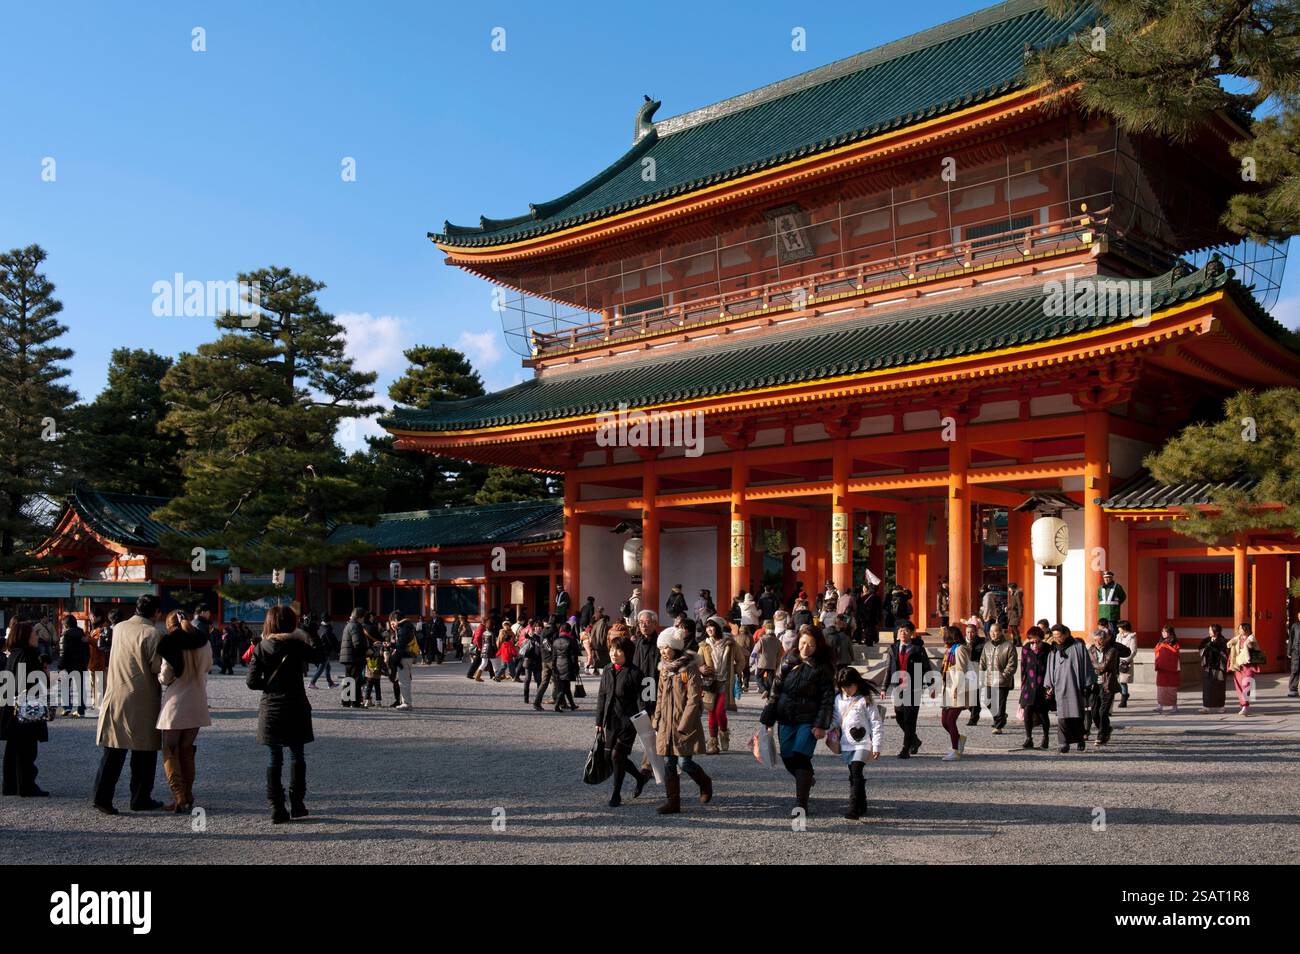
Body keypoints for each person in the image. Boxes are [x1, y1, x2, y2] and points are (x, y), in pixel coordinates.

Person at [247, 605, 322, 823]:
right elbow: (320, 657)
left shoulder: (261, 647)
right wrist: (312, 633)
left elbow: (251, 682)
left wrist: (270, 685)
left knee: (274, 757)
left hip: (271, 707)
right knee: (297, 754)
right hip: (296, 705)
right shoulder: (298, 645)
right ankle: (297, 803)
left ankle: (276, 807)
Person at [93, 594, 166, 815]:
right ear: (156, 613)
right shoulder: (153, 634)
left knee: (113, 751)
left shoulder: (120, 627)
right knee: (144, 751)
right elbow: (156, 668)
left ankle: (102, 797)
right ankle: (140, 797)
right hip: (142, 696)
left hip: (115, 692)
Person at [759, 627, 834, 813]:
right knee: (787, 756)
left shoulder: (823, 667)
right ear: (797, 642)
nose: (805, 647)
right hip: (786, 717)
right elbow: (775, 690)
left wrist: (820, 725)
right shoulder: (788, 660)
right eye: (803, 643)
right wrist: (768, 718)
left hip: (808, 719)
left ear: (818, 646)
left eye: (810, 644)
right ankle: (806, 778)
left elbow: (827, 699)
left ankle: (801, 802)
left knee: (801, 755)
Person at [156, 610, 212, 812]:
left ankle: (178, 795)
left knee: (170, 750)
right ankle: (188, 793)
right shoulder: (203, 642)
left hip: (176, 701)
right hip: (197, 699)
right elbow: (208, 666)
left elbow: (165, 676)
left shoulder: (171, 642)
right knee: (187, 750)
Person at [652, 627, 712, 814]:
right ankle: (673, 801)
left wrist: (684, 724)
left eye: (666, 647)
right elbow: (660, 696)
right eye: (661, 648)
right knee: (669, 762)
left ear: (675, 647)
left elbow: (694, 698)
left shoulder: (689, 668)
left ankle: (705, 782)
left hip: (684, 723)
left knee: (684, 763)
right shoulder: (664, 669)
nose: (663, 651)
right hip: (666, 724)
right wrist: (657, 718)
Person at [595, 635, 650, 807]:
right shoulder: (607, 669)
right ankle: (640, 777)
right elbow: (602, 695)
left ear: (627, 652)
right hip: (610, 721)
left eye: (618, 650)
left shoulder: (635, 673)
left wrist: (643, 723)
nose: (614, 653)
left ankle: (616, 794)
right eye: (612, 649)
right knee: (608, 756)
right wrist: (598, 720)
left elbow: (642, 700)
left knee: (617, 755)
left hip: (629, 722)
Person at [2, 621, 50, 797]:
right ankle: (26, 785)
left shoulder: (14, 654)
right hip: (27, 706)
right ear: (25, 637)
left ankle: (10, 785)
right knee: (27, 748)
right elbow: (32, 683)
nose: (37, 636)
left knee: (13, 746)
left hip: (11, 705)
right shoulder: (28, 655)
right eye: (34, 634)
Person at [829, 667, 884, 820]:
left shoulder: (865, 699)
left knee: (856, 771)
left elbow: (876, 723)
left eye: (849, 685)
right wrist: (825, 727)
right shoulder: (838, 699)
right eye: (843, 686)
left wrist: (877, 745)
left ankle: (853, 808)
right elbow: (835, 719)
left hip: (863, 743)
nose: (846, 689)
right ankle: (862, 803)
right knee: (853, 775)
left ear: (857, 683)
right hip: (846, 743)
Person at [884, 620, 932, 758]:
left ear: (911, 633)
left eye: (905, 631)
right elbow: (888, 669)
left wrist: (931, 685)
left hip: (914, 687)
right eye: (900, 631)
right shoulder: (893, 648)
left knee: (910, 719)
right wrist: (883, 688)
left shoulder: (918, 649)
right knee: (899, 717)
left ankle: (905, 748)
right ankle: (914, 740)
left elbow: (926, 667)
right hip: (898, 687)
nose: (903, 633)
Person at [1044, 623, 1095, 752]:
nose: (1057, 638)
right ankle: (1064, 742)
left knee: (1077, 715)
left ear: (1066, 634)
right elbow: (1050, 667)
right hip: (1060, 687)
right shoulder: (1054, 649)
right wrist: (1049, 684)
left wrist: (1088, 684)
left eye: (1059, 636)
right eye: (1054, 636)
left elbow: (1086, 665)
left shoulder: (1078, 647)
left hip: (1075, 686)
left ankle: (1080, 740)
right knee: (1062, 717)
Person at [699, 618, 742, 754]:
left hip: (725, 682)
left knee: (719, 711)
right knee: (711, 711)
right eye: (707, 627)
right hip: (710, 682)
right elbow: (698, 662)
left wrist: (734, 670)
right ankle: (713, 743)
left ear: (718, 627)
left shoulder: (730, 643)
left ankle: (724, 733)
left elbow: (741, 660)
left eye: (711, 627)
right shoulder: (703, 645)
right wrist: (701, 669)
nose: (709, 630)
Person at [939, 626, 974, 761]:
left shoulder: (959, 650)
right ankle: (959, 739)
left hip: (956, 690)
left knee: (950, 720)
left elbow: (960, 670)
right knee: (944, 721)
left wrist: (955, 689)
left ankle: (955, 750)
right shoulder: (950, 650)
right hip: (947, 689)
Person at [1088, 626, 1128, 745]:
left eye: (1100, 640)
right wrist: (1095, 667)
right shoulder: (1091, 650)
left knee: (1103, 711)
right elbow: (1091, 665)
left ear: (1105, 640)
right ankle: (1106, 728)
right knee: (1094, 712)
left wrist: (1094, 666)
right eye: (1095, 640)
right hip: (1095, 684)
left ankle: (1101, 735)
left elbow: (1104, 666)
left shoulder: (1112, 651)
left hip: (1108, 684)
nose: (1098, 642)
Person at [978, 622, 1018, 733]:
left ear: (1001, 632)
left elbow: (1012, 664)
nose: (993, 634)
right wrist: (981, 674)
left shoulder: (1009, 646)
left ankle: (998, 726)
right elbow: (982, 661)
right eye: (991, 632)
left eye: (995, 631)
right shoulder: (987, 645)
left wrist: (1004, 675)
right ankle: (1000, 718)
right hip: (989, 679)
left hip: (1002, 680)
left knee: (1000, 704)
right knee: (988, 702)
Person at [1018, 626, 1052, 750]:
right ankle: (1028, 738)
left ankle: (1046, 737)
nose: (1035, 644)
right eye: (1032, 641)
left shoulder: (1048, 650)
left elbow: (1051, 668)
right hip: (1029, 686)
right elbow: (1023, 668)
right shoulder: (1026, 649)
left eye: (1037, 641)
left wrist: (1050, 686)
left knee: (1043, 714)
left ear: (1042, 640)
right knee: (1027, 712)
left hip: (1043, 685)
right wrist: (1023, 686)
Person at [1226, 623, 1262, 716]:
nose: (1240, 630)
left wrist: (1249, 644)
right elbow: (1229, 644)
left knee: (1246, 684)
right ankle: (1243, 704)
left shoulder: (1251, 638)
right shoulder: (1237, 638)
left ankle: (1245, 705)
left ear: (1246, 629)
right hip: (1238, 664)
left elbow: (1252, 647)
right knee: (1238, 686)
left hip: (1248, 665)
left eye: (1241, 629)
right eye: (1239, 629)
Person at [57, 615, 88, 717]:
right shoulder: (82, 635)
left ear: (65, 625)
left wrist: (60, 666)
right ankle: (81, 709)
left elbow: (63, 652)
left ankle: (67, 708)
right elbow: (87, 651)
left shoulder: (65, 636)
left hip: (67, 665)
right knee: (81, 687)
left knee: (65, 686)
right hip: (80, 664)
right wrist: (85, 662)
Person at [338, 608, 367, 708]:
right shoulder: (356, 626)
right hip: (354, 656)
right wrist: (367, 649)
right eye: (363, 617)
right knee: (356, 679)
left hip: (347, 656)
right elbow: (358, 643)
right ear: (360, 617)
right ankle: (355, 702)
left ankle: (345, 701)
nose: (363, 620)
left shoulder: (348, 624)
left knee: (348, 679)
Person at [1198, 624, 1229, 713]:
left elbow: (1224, 654)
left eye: (1210, 630)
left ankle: (1221, 706)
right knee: (1207, 687)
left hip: (1218, 667)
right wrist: (1207, 647)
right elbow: (1201, 649)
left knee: (1219, 686)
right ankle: (1206, 707)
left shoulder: (1222, 641)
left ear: (1216, 631)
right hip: (1208, 667)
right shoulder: (1206, 641)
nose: (1209, 632)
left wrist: (1215, 649)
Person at [551, 623, 580, 711]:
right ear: (569, 630)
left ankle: (572, 704)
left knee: (566, 686)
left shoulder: (556, 640)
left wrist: (553, 666)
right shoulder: (571, 640)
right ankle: (557, 705)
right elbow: (573, 656)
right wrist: (576, 667)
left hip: (558, 664)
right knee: (564, 687)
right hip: (567, 664)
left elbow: (554, 655)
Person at [1153, 625, 1181, 714]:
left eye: (1166, 632)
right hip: (1162, 668)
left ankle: (1174, 706)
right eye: (1163, 632)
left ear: (1170, 633)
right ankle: (1160, 705)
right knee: (1161, 687)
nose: (1163, 633)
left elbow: (1175, 652)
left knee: (1171, 688)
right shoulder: (1161, 642)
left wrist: (1165, 647)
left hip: (1171, 669)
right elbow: (1157, 651)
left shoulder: (1174, 643)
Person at [963, 621, 986, 726]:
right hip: (965, 671)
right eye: (968, 632)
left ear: (976, 632)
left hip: (977, 670)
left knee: (975, 694)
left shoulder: (982, 642)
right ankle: (974, 709)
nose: (970, 634)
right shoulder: (962, 643)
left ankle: (973, 718)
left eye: (972, 632)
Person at [754, 622, 783, 699]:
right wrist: (777, 664)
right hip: (772, 663)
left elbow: (756, 650)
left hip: (762, 662)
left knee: (758, 676)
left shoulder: (762, 639)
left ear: (766, 630)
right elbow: (779, 654)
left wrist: (753, 659)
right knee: (770, 680)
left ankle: (764, 690)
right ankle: (770, 695)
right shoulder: (777, 641)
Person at [87, 613, 109, 710]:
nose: (91, 618)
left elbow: (100, 645)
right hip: (92, 661)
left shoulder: (104, 629)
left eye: (93, 616)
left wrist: (89, 639)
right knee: (93, 684)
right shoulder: (94, 629)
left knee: (99, 684)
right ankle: (94, 704)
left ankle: (100, 705)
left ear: (99, 617)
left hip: (99, 661)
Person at [1115, 619, 1137, 707]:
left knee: (1123, 681)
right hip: (1117, 660)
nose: (1118, 629)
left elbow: (1133, 650)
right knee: (1117, 681)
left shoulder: (1132, 636)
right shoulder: (1118, 636)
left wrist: (1126, 660)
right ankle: (1125, 694)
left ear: (1124, 627)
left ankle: (1123, 699)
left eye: (1119, 627)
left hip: (1125, 662)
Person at [1098, 570, 1126, 637]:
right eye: (1105, 577)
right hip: (1102, 613)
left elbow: (1123, 597)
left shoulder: (1117, 587)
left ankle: (1114, 644)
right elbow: (1099, 598)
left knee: (1113, 631)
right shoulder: (1100, 588)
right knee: (1102, 631)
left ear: (1111, 578)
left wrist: (1117, 604)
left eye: (1108, 577)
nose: (1106, 579)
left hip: (1112, 613)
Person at [1288, 613, 1300, 698]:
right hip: (1296, 651)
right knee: (1295, 669)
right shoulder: (1295, 626)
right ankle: (1293, 689)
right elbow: (1291, 639)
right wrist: (1289, 651)